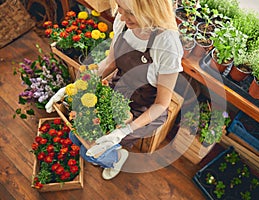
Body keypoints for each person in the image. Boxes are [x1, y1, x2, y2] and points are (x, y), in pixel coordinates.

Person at [46, 0, 183, 180]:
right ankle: (111, 153)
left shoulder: (167, 45)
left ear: (150, 10)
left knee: (88, 153)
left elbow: (161, 104)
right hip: (116, 91)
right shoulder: (123, 21)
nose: (120, 15)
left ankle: (118, 157)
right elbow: (110, 62)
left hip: (142, 109)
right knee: (75, 135)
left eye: (130, 12)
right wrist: (73, 88)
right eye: (120, 7)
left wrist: (122, 132)